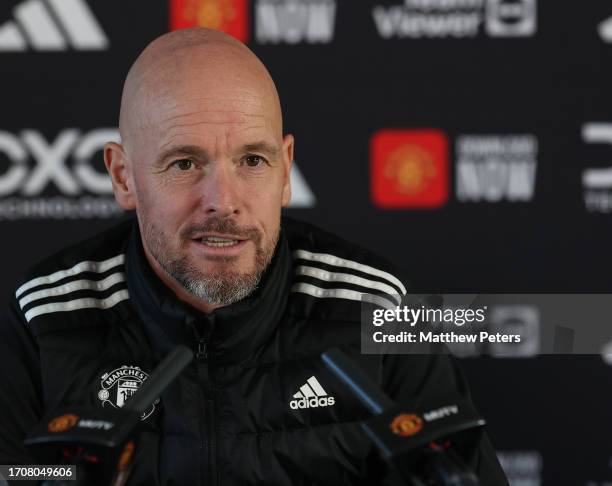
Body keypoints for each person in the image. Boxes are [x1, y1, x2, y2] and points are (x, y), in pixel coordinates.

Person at [0, 28, 508, 485]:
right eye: (184, 162)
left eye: (252, 160)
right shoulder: (45, 318)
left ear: (285, 170)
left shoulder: (378, 306)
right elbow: (14, 472)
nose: (224, 200)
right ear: (122, 177)